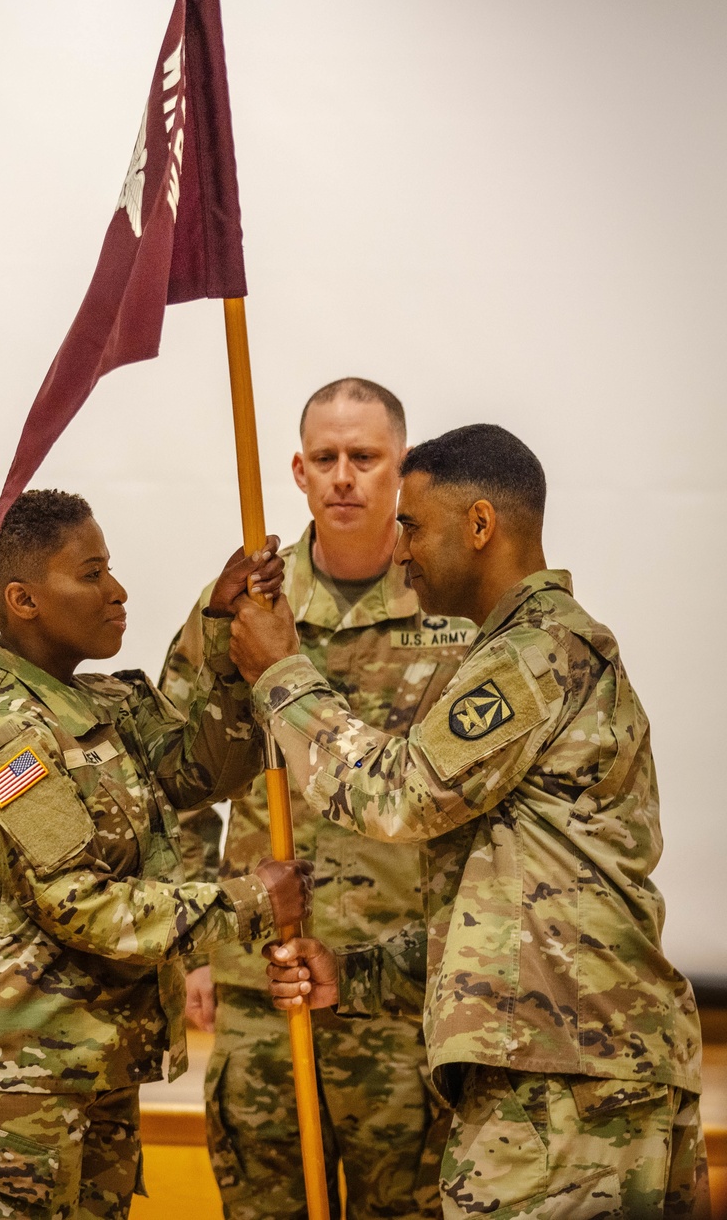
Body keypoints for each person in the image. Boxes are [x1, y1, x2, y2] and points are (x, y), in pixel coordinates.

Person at [229, 423, 708, 1220]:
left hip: (566, 1084)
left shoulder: (536, 653)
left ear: (481, 526)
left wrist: (283, 674)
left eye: (413, 525)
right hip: (574, 1067)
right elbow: (516, 915)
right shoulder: (533, 649)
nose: (400, 548)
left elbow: (396, 796)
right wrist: (357, 975)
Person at [0, 489, 314, 1220]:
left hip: (77, 1063)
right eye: (91, 573)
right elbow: (79, 905)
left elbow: (203, 772)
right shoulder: (2, 739)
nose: (118, 591)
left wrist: (224, 639)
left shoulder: (101, 706)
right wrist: (249, 903)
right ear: (23, 600)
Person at [160, 379, 475, 1220]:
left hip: (402, 984)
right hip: (264, 975)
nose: (345, 477)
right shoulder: (241, 605)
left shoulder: (451, 608)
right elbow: (171, 775)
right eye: (326, 459)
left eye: (364, 458)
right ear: (297, 471)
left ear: (401, 469)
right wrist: (189, 941)